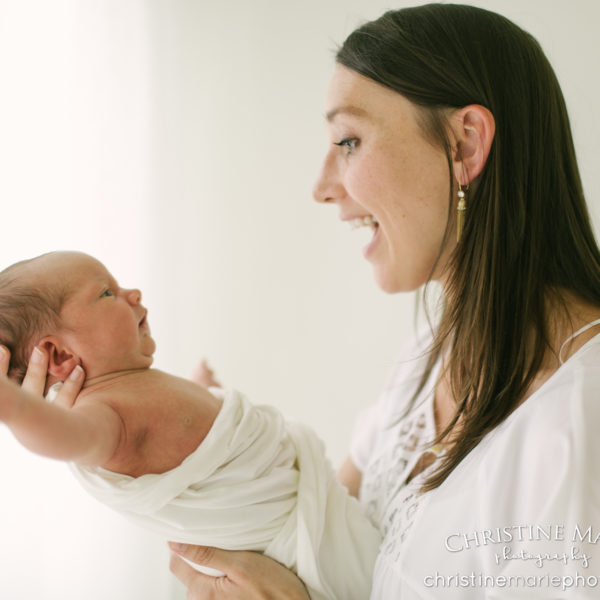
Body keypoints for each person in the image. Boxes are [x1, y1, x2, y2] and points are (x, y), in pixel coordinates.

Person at [6, 3, 600, 598]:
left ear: (464, 144)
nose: (321, 187)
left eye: (349, 140)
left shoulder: (578, 428)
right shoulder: (431, 360)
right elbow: (313, 522)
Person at [0, 250, 380, 600]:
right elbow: (65, 437)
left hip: (307, 504)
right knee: (373, 575)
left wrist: (202, 391)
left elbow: (195, 445)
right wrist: (16, 408)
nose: (132, 292)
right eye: (106, 293)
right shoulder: (102, 416)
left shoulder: (133, 387)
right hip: (291, 548)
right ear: (60, 353)